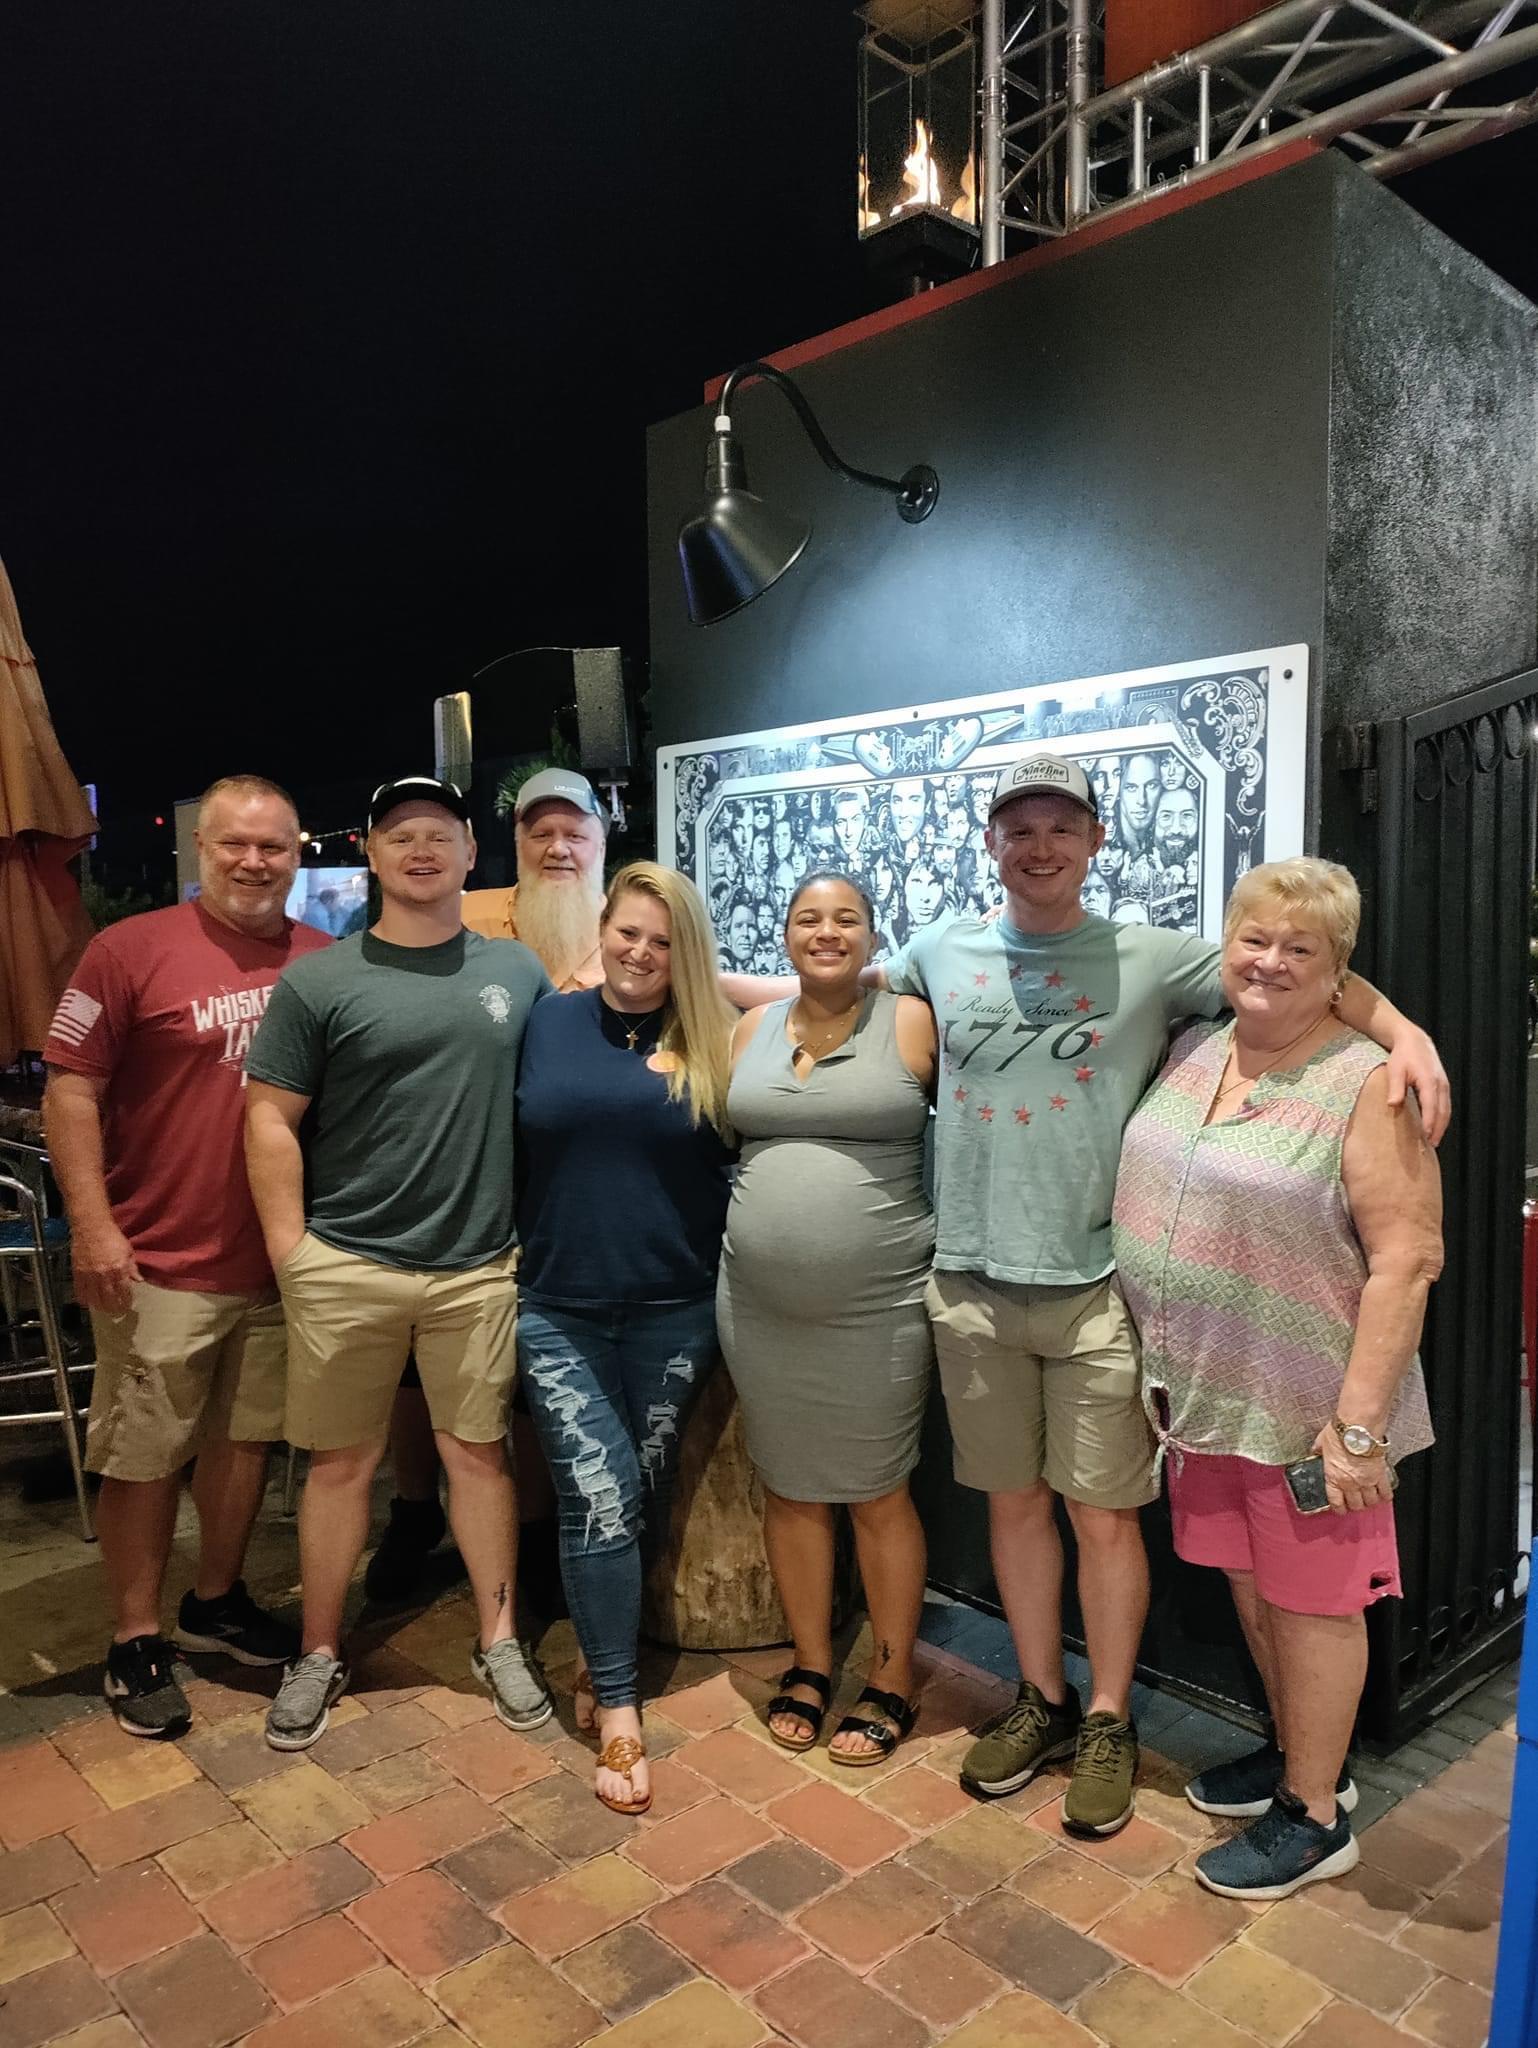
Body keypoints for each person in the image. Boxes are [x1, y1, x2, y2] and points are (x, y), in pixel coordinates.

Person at [865, 750, 1447, 1837]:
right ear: (990, 840)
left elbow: (1308, 967)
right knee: (1015, 1507)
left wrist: (1403, 1031)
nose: (1039, 846)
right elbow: (836, 984)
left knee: (1104, 1518)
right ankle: (1041, 1698)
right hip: (984, 1291)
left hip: (1105, 1305)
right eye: (1018, 827)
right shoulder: (941, 951)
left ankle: (1111, 1720)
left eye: (1061, 826)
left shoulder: (1154, 958)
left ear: (1096, 840)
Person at [1113, 857, 1439, 1899]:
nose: (1269, 961)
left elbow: (1406, 1261)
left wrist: (1356, 1431)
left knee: (1313, 1608)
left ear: (1338, 972)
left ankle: (1314, 1820)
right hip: (1207, 1397)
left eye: (1301, 948)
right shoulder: (1197, 1047)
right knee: (1255, 1591)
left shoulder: (1367, 1083)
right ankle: (1308, 1759)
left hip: (1309, 1413)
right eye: (1253, 938)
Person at [244, 775, 553, 1749]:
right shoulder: (320, 982)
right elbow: (268, 1118)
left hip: (477, 1265)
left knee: (478, 1455)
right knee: (341, 1464)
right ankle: (319, 1649)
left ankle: (498, 1637)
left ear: (470, 854)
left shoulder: (517, 972)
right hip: (348, 1260)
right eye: (400, 835)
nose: (421, 850)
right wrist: (292, 1252)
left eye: (439, 834)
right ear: (371, 855)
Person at [42, 775, 330, 1737]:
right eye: (234, 843)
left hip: (276, 1260)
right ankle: (134, 1636)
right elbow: (70, 1090)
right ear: (201, 848)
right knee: (144, 1453)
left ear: (298, 853)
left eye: (274, 846)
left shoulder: (325, 960)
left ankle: (215, 1600)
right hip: (156, 1258)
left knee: (244, 1441)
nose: (254, 861)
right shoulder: (128, 951)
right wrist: (93, 1226)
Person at [516, 863, 736, 1813]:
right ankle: (618, 1704)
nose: (641, 953)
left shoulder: (715, 1035)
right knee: (598, 1498)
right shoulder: (545, 1021)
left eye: (664, 940)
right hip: (556, 1306)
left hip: (674, 1308)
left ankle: (598, 1653)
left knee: (632, 1490)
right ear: (600, 930)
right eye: (628, 932)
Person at [372, 767, 608, 1606]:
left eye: (573, 832)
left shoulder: (628, 925)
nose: (557, 847)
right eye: (540, 832)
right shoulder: (465, 914)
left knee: (537, 1367)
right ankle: (412, 1510)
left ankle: (538, 1529)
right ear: (511, 844)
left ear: (602, 840)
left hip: (566, 1189)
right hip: (455, 1178)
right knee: (412, 1366)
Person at [720, 875, 938, 1766]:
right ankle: (811, 1664)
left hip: (879, 1303)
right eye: (808, 918)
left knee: (880, 1490)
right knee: (790, 1486)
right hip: (756, 1304)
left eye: (846, 918)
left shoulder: (911, 1021)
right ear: (785, 935)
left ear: (872, 938)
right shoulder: (751, 1029)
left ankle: (891, 1676)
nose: (826, 931)